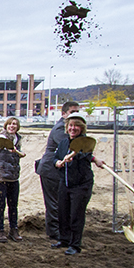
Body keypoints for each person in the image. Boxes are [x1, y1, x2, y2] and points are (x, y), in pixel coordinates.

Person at [52, 114, 104, 255]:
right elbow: (56, 157)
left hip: (81, 184)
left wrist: (94, 159)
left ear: (81, 128)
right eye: (70, 125)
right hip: (65, 182)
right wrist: (57, 162)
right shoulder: (63, 142)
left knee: (76, 214)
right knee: (63, 212)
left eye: (76, 126)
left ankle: (75, 245)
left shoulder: (85, 142)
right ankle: (64, 239)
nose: (73, 128)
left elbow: (86, 154)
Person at [37, 101, 80, 241]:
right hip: (50, 169)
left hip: (59, 169)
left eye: (77, 112)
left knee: (60, 202)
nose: (75, 115)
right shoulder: (60, 129)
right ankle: (54, 232)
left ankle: (60, 230)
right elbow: (70, 147)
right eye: (72, 112)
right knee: (53, 202)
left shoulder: (69, 128)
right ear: (64, 114)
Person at [0, 117, 23, 243]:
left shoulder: (18, 139)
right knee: (0, 205)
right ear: (6, 125)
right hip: (0, 177)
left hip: (13, 177)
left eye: (14, 124)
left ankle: (13, 229)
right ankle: (0, 230)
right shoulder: (0, 138)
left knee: (13, 205)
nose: (12, 126)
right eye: (10, 124)